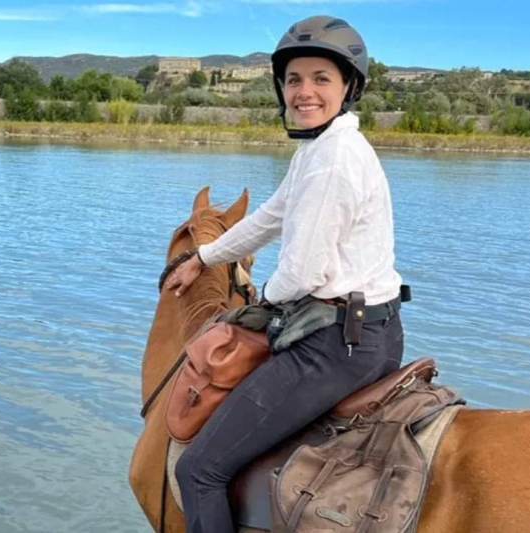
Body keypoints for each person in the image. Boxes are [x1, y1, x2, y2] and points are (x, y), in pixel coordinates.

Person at [164, 15, 406, 533]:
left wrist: (255, 305)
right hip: (371, 330)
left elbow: (300, 273)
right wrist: (203, 260)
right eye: (294, 80)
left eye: (322, 78)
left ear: (349, 86)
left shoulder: (333, 159)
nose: (305, 92)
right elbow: (270, 216)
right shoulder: (318, 147)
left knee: (199, 469)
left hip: (333, 345)